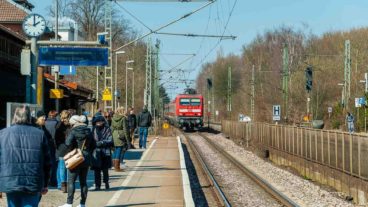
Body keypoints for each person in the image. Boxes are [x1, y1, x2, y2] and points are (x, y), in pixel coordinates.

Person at [0, 105, 51, 207]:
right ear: (29, 117)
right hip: (33, 181)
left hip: (11, 181)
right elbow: (47, 162)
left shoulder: (2, 134)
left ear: (15, 116)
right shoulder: (40, 134)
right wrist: (45, 184)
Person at [59, 115, 95, 207]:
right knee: (83, 181)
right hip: (86, 158)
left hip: (75, 158)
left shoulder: (74, 131)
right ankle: (82, 204)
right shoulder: (89, 131)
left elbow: (67, 143)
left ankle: (69, 203)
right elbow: (94, 145)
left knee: (71, 181)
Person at [91, 115, 113, 190]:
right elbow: (91, 140)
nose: (99, 123)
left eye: (101, 122)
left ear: (103, 122)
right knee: (96, 170)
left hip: (105, 151)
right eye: (97, 122)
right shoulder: (93, 129)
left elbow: (110, 140)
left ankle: (106, 182)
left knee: (105, 169)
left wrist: (102, 142)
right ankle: (97, 185)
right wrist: (94, 144)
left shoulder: (107, 129)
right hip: (96, 152)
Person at [55, 110, 72, 193]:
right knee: (68, 167)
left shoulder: (58, 125)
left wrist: (58, 146)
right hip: (69, 148)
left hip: (61, 148)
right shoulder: (70, 125)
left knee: (62, 168)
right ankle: (68, 185)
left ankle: (63, 186)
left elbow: (56, 137)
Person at [111, 107, 130, 171]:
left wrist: (111, 136)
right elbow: (125, 129)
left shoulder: (113, 118)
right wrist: (128, 140)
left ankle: (114, 165)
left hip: (114, 134)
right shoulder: (123, 118)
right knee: (119, 149)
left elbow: (112, 127)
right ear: (122, 111)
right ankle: (117, 167)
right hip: (120, 135)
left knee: (115, 150)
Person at [45, 110, 59, 187]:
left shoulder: (45, 123)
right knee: (54, 163)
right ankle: (53, 180)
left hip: (46, 145)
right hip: (55, 145)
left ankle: (47, 180)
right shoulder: (57, 124)